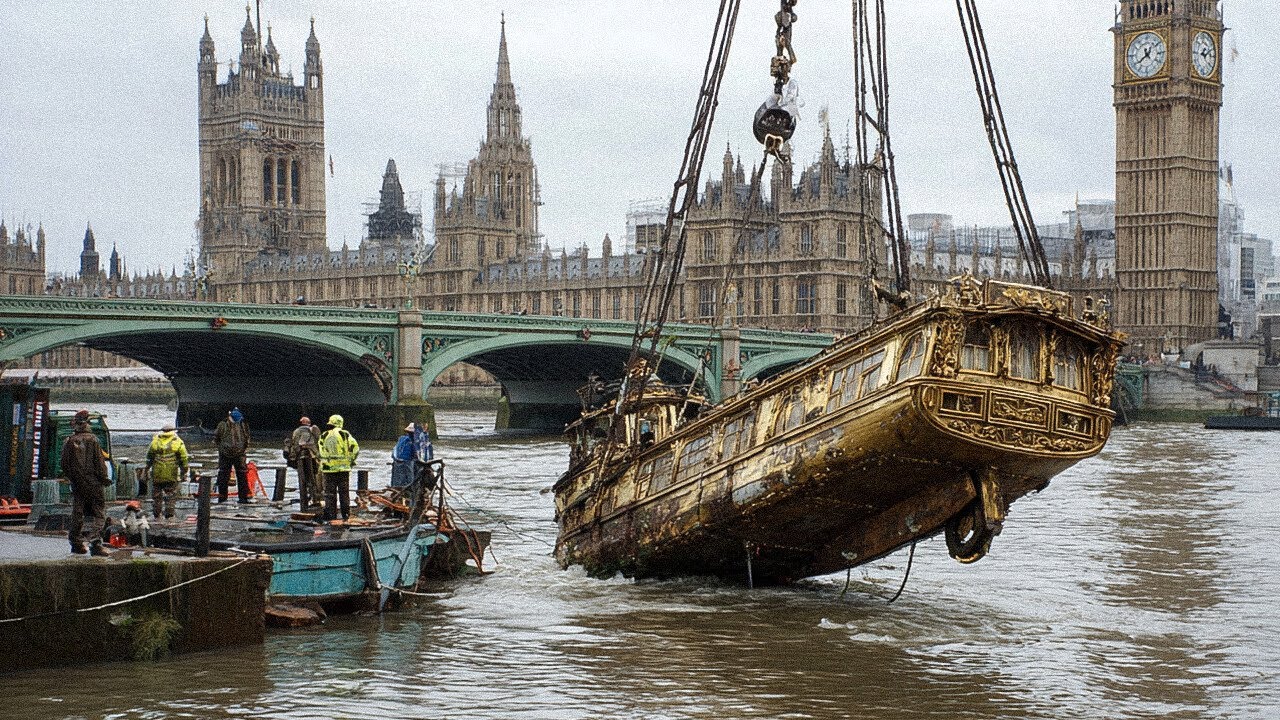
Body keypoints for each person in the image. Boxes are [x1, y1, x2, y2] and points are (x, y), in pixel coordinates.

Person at [61, 410, 111, 556]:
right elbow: (99, 463)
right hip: (93, 483)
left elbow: (64, 464)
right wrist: (104, 479)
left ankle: (76, 543)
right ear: (87, 423)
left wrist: (73, 478)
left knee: (78, 512)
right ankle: (95, 543)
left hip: (77, 483)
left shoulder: (69, 441)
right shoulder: (93, 440)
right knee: (99, 512)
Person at [319, 414, 359, 522]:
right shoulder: (345, 434)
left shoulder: (323, 435)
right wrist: (351, 460)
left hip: (328, 469)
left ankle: (331, 516)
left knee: (329, 494)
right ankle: (345, 515)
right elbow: (355, 448)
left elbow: (321, 451)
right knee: (344, 493)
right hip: (343, 469)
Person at [146, 422, 189, 522]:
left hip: (157, 474)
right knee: (170, 495)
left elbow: (149, 458)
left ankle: (157, 516)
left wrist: (147, 469)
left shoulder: (155, 441)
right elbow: (184, 459)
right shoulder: (178, 442)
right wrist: (184, 472)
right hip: (171, 474)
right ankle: (169, 516)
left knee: (157, 496)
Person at [214, 407, 251, 504]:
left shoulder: (242, 424)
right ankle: (223, 498)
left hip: (238, 453)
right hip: (227, 454)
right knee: (225, 475)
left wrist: (244, 449)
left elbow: (247, 437)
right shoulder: (224, 424)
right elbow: (217, 438)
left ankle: (242, 498)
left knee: (241, 476)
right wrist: (222, 449)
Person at [286, 416, 322, 511]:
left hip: (299, 458)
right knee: (313, 479)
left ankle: (304, 502)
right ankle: (314, 499)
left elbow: (294, 444)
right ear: (309, 423)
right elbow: (318, 441)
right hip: (312, 458)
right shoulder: (313, 430)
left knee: (303, 481)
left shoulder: (296, 431)